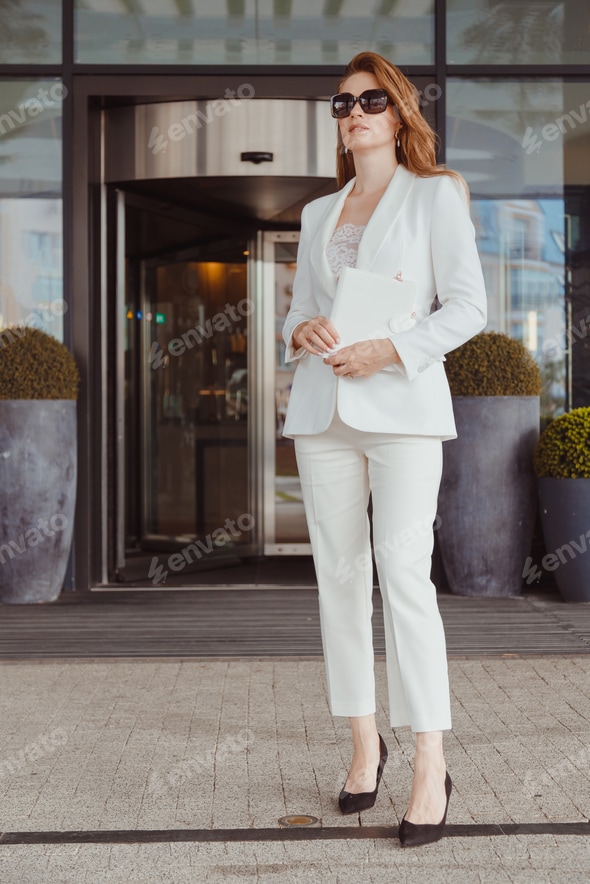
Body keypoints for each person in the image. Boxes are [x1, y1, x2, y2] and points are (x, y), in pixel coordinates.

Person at [281, 51, 487, 847]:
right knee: (338, 580)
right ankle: (365, 745)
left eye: (372, 99)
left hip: (400, 408)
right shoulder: (315, 213)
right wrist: (299, 331)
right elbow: (301, 313)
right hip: (323, 411)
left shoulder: (435, 196)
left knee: (404, 576)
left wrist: (392, 352)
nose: (356, 111)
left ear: (399, 113)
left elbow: (467, 307)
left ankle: (429, 762)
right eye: (343, 102)